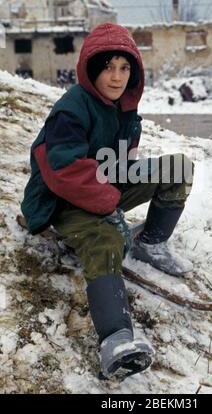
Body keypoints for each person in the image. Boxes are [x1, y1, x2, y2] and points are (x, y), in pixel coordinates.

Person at [21, 23, 194, 380]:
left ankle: (152, 245)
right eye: (108, 67)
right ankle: (116, 340)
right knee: (107, 237)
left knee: (177, 168)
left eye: (124, 68)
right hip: (60, 200)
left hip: (103, 184)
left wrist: (122, 183)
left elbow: (120, 160)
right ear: (91, 68)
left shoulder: (124, 108)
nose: (116, 77)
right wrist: (109, 205)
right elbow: (63, 170)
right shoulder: (71, 109)